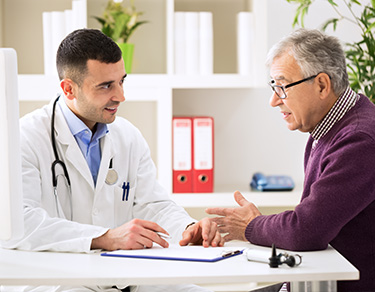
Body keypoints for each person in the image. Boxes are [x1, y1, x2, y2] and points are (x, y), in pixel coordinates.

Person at [0, 29, 222, 292]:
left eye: (121, 81)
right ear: (68, 88)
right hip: (60, 281)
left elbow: (154, 204)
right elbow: (21, 223)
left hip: (123, 276)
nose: (120, 96)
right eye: (106, 86)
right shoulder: (23, 138)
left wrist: (187, 228)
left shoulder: (127, 136)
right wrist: (102, 237)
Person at [206, 28, 375, 292]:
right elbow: (310, 221)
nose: (274, 100)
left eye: (282, 86)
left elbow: (306, 230)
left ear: (322, 84)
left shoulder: (360, 140)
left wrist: (251, 225)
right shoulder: (327, 129)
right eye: (273, 86)